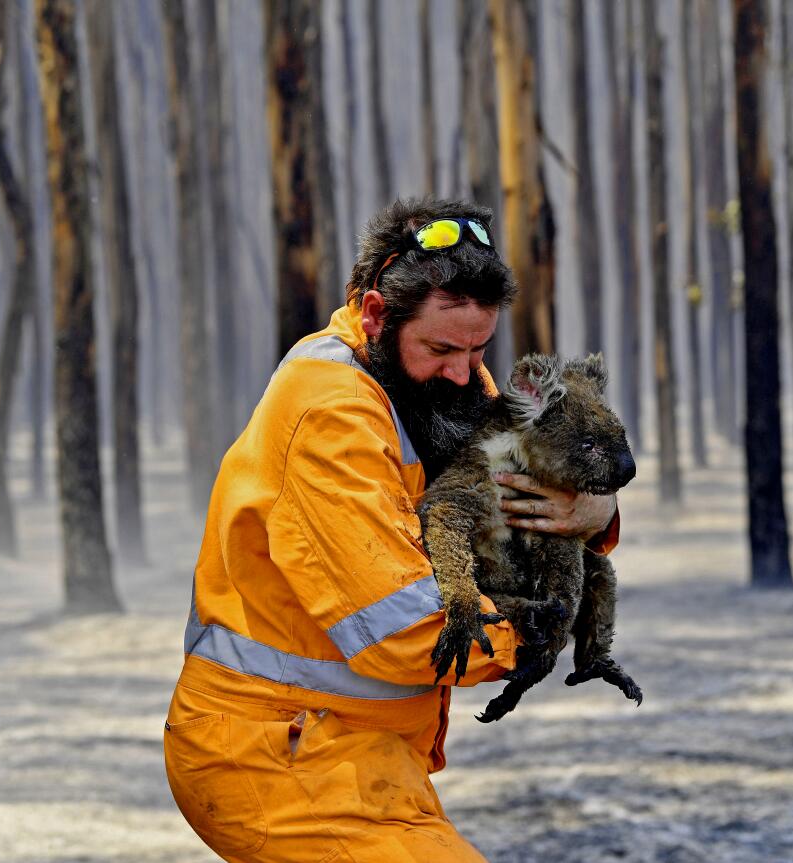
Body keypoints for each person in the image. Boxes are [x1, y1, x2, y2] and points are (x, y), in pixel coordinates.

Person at [163, 198, 621, 862]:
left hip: (358, 750)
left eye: (479, 347)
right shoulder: (330, 414)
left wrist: (598, 515)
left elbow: (533, 484)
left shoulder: (438, 379)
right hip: (272, 753)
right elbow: (402, 627)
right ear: (378, 315)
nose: (468, 372)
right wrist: (536, 628)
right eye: (443, 348)